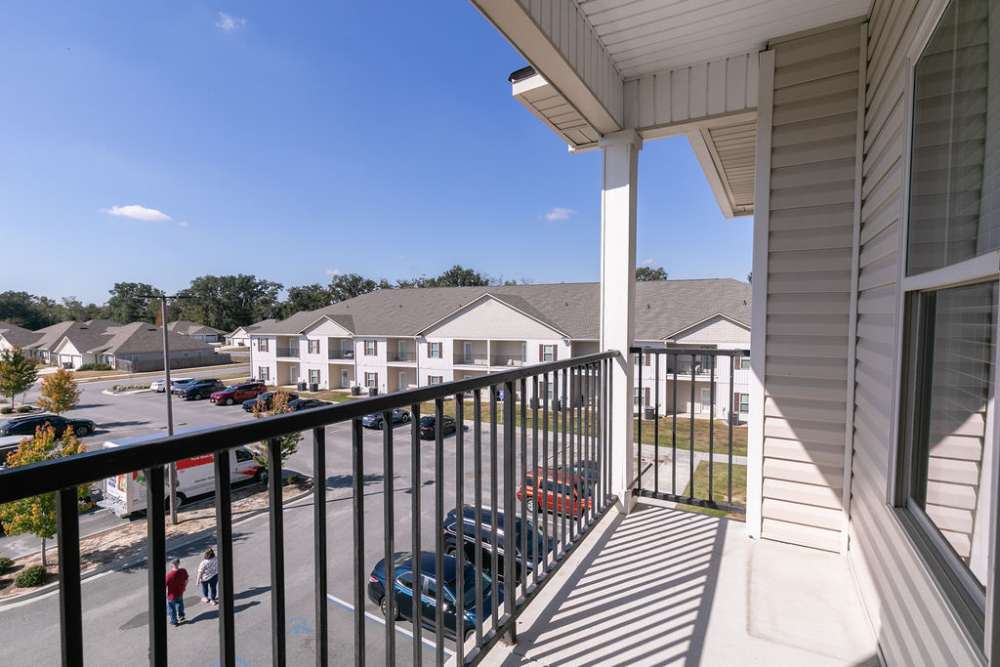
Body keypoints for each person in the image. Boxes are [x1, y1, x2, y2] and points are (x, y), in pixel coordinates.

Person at [165, 558, 189, 626]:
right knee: (180, 604)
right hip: (180, 592)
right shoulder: (183, 571)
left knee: (171, 608)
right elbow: (186, 580)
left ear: (172, 565)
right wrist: (184, 587)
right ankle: (181, 616)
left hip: (171, 595)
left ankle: (174, 621)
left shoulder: (169, 575)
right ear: (178, 563)